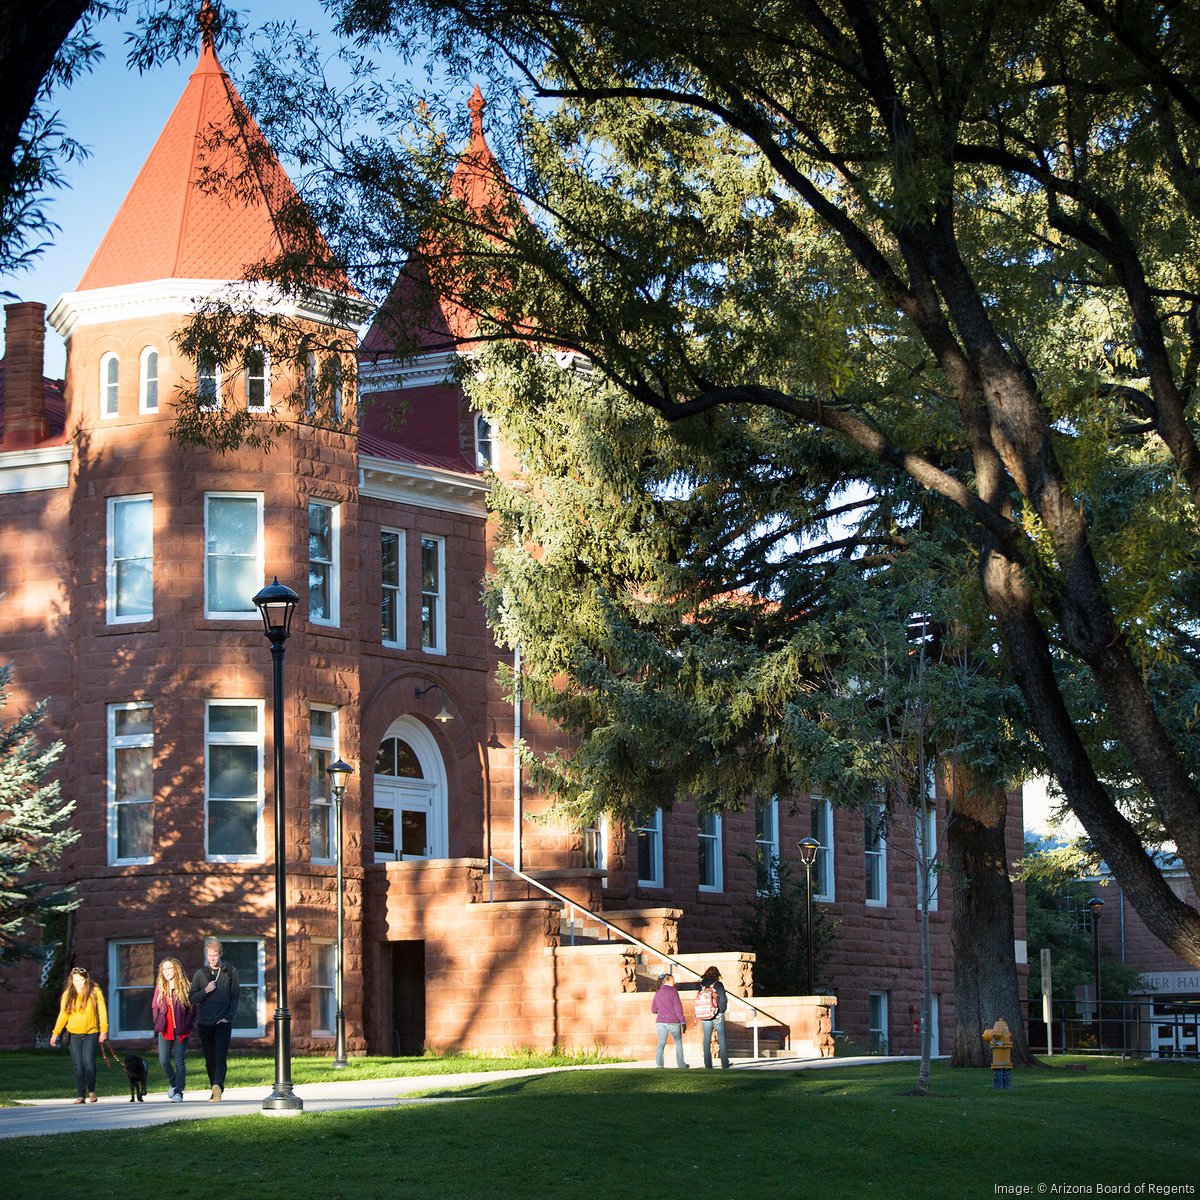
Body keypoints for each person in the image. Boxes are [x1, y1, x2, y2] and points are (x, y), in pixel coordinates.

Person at [48, 966, 108, 1103]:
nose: (79, 983)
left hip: (92, 1032)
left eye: (81, 980)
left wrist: (103, 1030)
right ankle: (81, 1094)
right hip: (73, 1034)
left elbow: (102, 1012)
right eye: (76, 980)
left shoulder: (95, 991)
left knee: (89, 1062)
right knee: (78, 1065)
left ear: (86, 979)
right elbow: (63, 1014)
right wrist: (55, 1033)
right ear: (72, 980)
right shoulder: (68, 994)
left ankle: (91, 1091)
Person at [189, 938, 239, 1102]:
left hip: (222, 1023)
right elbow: (192, 998)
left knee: (220, 1057)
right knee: (209, 1059)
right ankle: (214, 1090)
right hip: (205, 1023)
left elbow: (235, 998)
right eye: (209, 955)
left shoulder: (231, 972)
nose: (212, 958)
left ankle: (218, 1085)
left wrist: (228, 1018)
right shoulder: (200, 974)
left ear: (221, 954)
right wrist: (206, 990)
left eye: (215, 955)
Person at [152, 957, 196, 1102]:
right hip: (165, 1029)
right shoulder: (160, 987)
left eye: (170, 968)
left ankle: (178, 1092)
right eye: (164, 969)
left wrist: (187, 1024)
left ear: (176, 969)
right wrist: (157, 1021)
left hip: (181, 1030)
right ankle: (173, 1082)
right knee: (163, 1060)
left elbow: (192, 1009)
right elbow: (155, 1007)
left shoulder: (185, 986)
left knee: (179, 1060)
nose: (167, 972)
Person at [693, 966, 730, 1070]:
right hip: (717, 1014)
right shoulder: (718, 984)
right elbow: (722, 1000)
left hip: (705, 1015)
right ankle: (725, 1064)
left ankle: (708, 1064)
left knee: (706, 1040)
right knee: (721, 1039)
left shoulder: (701, 985)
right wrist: (720, 1011)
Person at [650, 971, 688, 1069]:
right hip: (673, 1021)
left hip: (660, 1021)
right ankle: (681, 1065)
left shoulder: (658, 992)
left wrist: (662, 1009)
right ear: (668, 980)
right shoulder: (673, 991)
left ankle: (659, 1065)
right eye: (673, 979)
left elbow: (654, 1009)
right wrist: (682, 1021)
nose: (674, 981)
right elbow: (678, 1008)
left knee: (661, 1043)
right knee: (678, 1042)